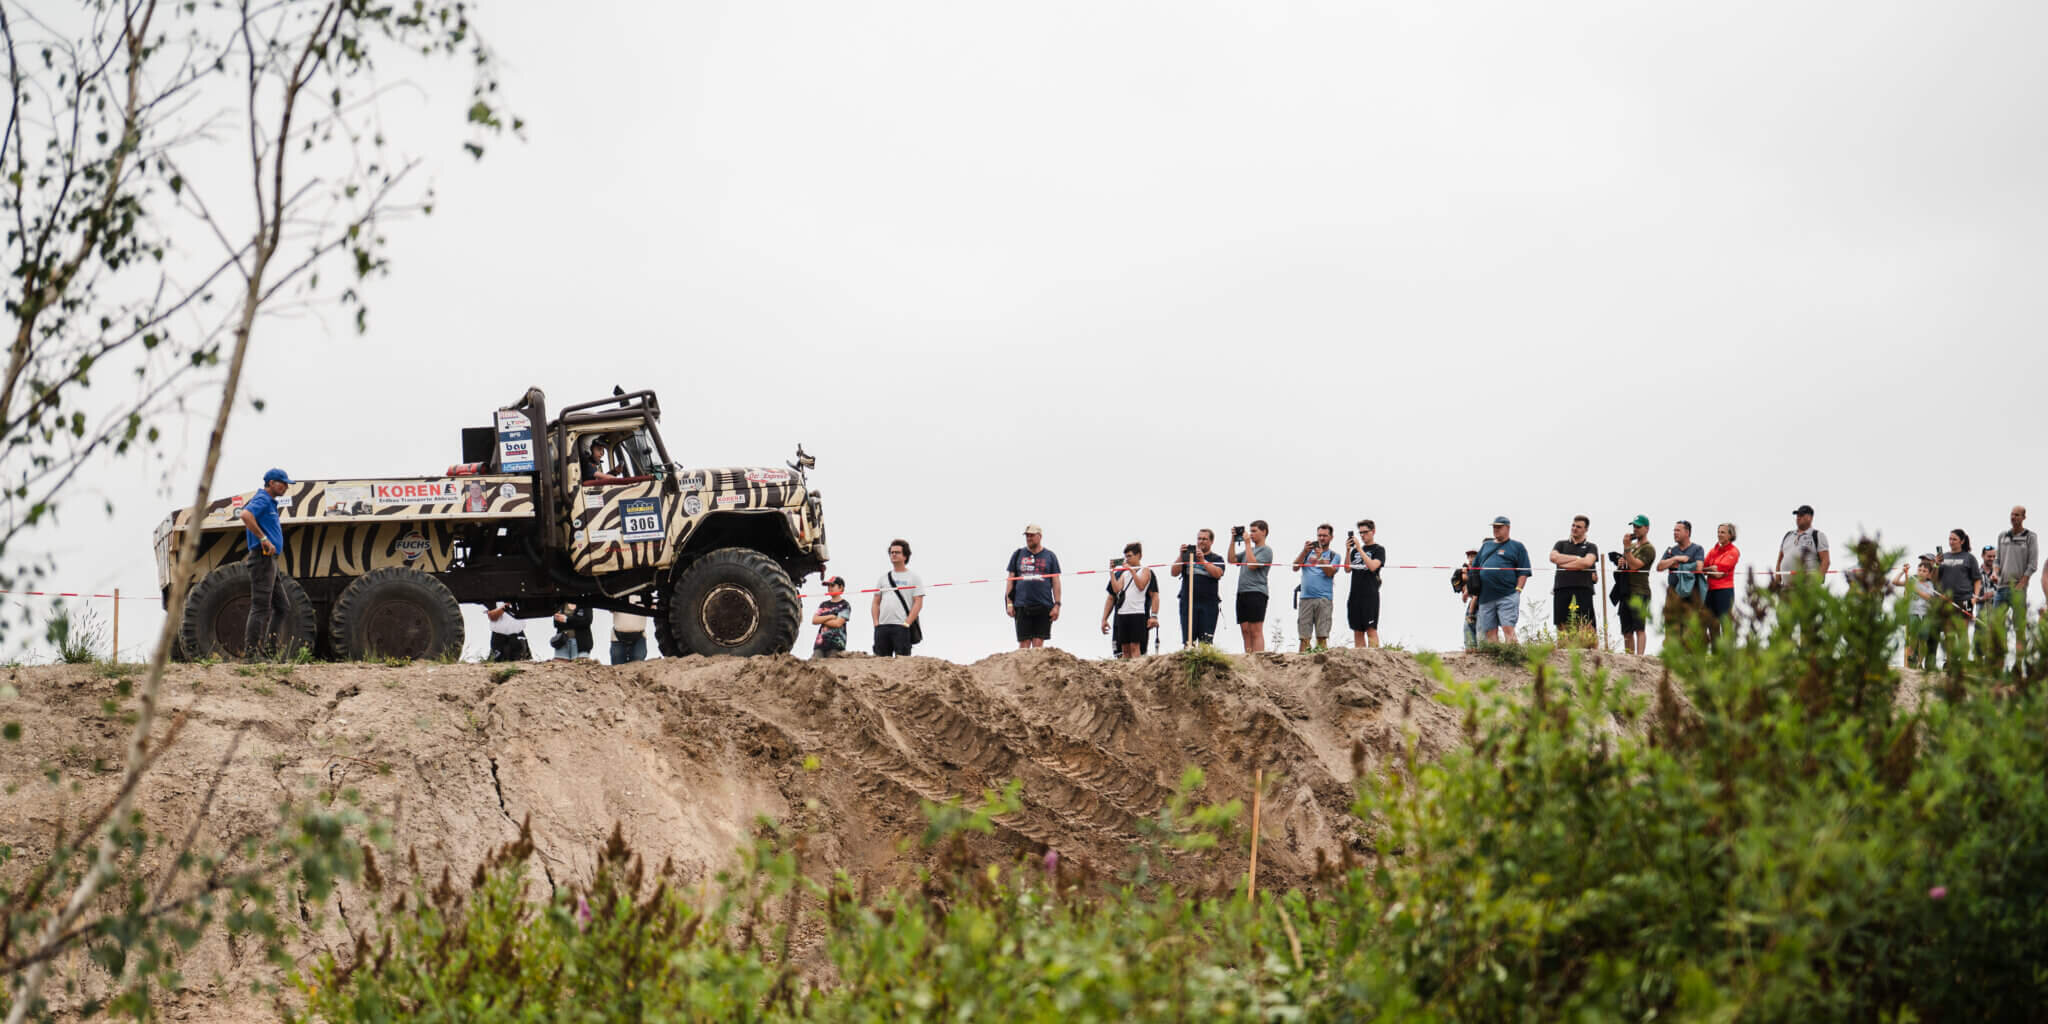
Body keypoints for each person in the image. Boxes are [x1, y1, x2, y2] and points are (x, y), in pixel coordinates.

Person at [237, 468, 293, 659]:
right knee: (261, 606)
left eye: (286, 483)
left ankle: (270, 652)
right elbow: (245, 515)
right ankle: (252, 655)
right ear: (270, 483)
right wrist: (263, 539)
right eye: (282, 482)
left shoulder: (269, 502)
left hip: (269, 561)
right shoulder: (262, 499)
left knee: (283, 607)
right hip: (261, 559)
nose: (286, 486)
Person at [1472, 516, 1532, 644]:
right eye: (1494, 527)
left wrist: (1518, 590)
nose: (1496, 530)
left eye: (1499, 527)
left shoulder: (1517, 546)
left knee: (1508, 628)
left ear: (1508, 528)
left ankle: (1513, 658)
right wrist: (1471, 589)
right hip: (1485, 597)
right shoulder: (1486, 546)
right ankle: (1496, 662)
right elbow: (1474, 568)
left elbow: (1524, 571)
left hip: (1507, 594)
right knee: (1490, 632)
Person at [1004, 525, 1061, 649]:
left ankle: (1036, 668)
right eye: (1027, 535)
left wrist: (1057, 605)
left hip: (1044, 604)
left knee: (1038, 643)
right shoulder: (1018, 554)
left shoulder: (1050, 556)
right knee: (1024, 644)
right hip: (1022, 605)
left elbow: (1056, 581)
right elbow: (1010, 580)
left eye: (1032, 535)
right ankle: (1022, 668)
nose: (1029, 538)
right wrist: (1009, 604)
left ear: (1039, 536)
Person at [1100, 543, 1158, 659]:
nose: (1127, 559)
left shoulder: (1145, 570)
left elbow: (1141, 586)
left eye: (1130, 556)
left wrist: (1132, 571)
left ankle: (1135, 671)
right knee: (1124, 649)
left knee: (1135, 647)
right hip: (1123, 613)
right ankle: (1125, 673)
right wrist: (1112, 572)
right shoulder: (1123, 573)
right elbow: (1116, 590)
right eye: (1126, 556)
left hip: (1137, 612)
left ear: (1139, 556)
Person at [1169, 529, 1226, 646]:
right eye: (1199, 539)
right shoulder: (1188, 557)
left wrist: (1203, 561)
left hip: (1208, 604)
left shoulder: (1217, 559)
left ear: (1211, 541)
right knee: (1188, 641)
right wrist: (1181, 556)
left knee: (1206, 641)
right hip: (1188, 602)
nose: (1201, 541)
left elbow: (1218, 573)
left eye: (1204, 539)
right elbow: (1174, 572)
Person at [1547, 515, 1599, 635]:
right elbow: (1553, 557)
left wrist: (1564, 564)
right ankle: (1563, 650)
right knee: (1561, 623)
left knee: (1585, 623)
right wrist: (1576, 559)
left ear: (1586, 529)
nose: (1574, 528)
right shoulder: (1561, 544)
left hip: (1583, 589)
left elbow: (1587, 562)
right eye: (1573, 525)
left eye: (1579, 527)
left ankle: (1592, 651)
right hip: (1562, 588)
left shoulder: (1591, 546)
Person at [1293, 524, 1341, 651]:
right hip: (1306, 598)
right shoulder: (1307, 553)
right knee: (1304, 637)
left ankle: (1322, 665)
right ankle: (1302, 664)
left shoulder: (1334, 556)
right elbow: (1295, 567)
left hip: (1324, 599)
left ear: (1331, 537)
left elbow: (1330, 573)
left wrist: (1320, 558)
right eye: (1319, 535)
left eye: (1325, 535)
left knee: (1322, 636)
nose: (1321, 538)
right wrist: (1304, 551)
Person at [1936, 530, 1983, 661]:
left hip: (1965, 599)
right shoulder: (1943, 556)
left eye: (1954, 539)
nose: (1951, 542)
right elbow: (1935, 579)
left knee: (1962, 631)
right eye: (1950, 539)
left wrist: (1974, 598)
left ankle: (1963, 662)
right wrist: (1936, 564)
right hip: (1946, 600)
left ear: (1962, 541)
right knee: (1948, 632)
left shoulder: (1969, 558)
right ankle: (1950, 662)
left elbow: (1977, 579)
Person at [1996, 506, 2037, 654]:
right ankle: (2000, 657)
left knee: (2019, 626)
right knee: (1997, 625)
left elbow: (2033, 564)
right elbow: (1997, 560)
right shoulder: (2002, 536)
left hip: (2018, 589)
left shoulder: (2030, 537)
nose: (2013, 517)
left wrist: (2022, 583)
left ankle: (2020, 661)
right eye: (2012, 514)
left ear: (2024, 517)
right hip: (2001, 588)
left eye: (2017, 515)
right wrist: (1995, 573)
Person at [874, 539, 924, 656]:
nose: (894, 555)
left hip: (901, 626)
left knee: (903, 664)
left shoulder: (914, 577)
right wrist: (876, 623)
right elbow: (876, 602)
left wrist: (907, 623)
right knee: (880, 663)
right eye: (891, 552)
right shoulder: (883, 578)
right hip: (882, 626)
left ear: (905, 556)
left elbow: (918, 603)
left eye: (897, 552)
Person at [1229, 521, 1273, 652]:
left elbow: (1252, 565)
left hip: (1257, 592)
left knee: (1255, 630)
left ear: (1264, 532)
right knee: (1245, 630)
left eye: (1254, 531)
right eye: (1250, 531)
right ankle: (1248, 658)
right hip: (1242, 592)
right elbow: (1232, 560)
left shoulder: (1266, 550)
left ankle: (1258, 657)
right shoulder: (1249, 550)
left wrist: (1247, 543)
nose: (1251, 534)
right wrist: (1233, 540)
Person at [1657, 520, 1708, 631]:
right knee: (1671, 626)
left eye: (1678, 530)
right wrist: (1676, 558)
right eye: (1674, 531)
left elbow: (1699, 567)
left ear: (1687, 532)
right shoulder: (1671, 551)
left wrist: (1675, 565)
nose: (1675, 533)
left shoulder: (1697, 549)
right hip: (1673, 592)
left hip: (1691, 592)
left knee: (1690, 627)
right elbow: (1660, 567)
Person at [1614, 515, 1655, 655]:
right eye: (1634, 526)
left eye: (1639, 526)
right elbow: (1627, 564)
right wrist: (1621, 562)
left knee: (1639, 627)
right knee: (1626, 630)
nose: (1635, 529)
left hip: (1640, 591)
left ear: (1647, 528)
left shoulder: (1648, 548)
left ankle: (1640, 658)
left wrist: (1626, 549)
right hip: (1626, 590)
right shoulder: (1631, 546)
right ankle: (1629, 657)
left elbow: (1636, 565)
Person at [1892, 554, 1940, 669]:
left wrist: (1917, 590)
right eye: (1919, 570)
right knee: (1913, 637)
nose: (1921, 572)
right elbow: (1895, 582)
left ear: (1929, 574)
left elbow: (1929, 597)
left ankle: (1920, 662)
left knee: (1923, 639)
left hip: (1925, 614)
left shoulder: (1930, 584)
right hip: (1913, 613)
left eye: (1924, 571)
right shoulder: (1912, 580)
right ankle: (1910, 658)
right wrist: (1903, 572)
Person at [1344, 520, 1387, 648]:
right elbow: (1347, 569)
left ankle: (1374, 658)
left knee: (1370, 629)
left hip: (1370, 594)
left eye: (1365, 532)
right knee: (1357, 630)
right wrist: (1348, 550)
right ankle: (1360, 659)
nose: (1362, 535)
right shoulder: (1355, 551)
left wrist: (1359, 549)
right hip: (1355, 594)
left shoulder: (1379, 549)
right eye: (1360, 533)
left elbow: (1373, 566)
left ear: (1373, 532)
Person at [1701, 523, 1741, 638]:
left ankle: (1729, 654)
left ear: (1730, 535)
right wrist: (1711, 569)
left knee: (1725, 624)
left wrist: (1709, 569)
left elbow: (1718, 574)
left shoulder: (1733, 551)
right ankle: (1715, 653)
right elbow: (1702, 568)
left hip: (1724, 591)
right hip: (1710, 591)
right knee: (1711, 624)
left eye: (1722, 532)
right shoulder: (1714, 550)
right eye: (1718, 532)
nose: (1719, 534)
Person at [1776, 504, 1831, 581]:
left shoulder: (1817, 535)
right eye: (1797, 515)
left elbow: (1826, 561)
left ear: (1810, 517)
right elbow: (1780, 560)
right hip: (1787, 588)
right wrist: (1777, 583)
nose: (1798, 517)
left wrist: (1816, 583)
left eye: (1801, 515)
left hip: (1807, 587)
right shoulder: (1788, 535)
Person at [811, 577, 850, 658]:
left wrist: (821, 619)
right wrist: (831, 616)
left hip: (836, 645)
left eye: (832, 585)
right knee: (815, 666)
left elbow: (838, 623)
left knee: (832, 667)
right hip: (820, 644)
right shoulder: (823, 604)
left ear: (841, 588)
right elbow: (814, 620)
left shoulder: (845, 605)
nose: (829, 588)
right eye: (828, 586)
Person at [1453, 548, 1481, 649]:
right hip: (1472, 596)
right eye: (1469, 556)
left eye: (1473, 556)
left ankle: (1482, 648)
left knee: (1480, 626)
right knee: (1468, 625)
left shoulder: (1479, 567)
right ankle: (1470, 648)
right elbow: (1458, 582)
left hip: (1480, 598)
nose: (1471, 558)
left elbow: (1471, 580)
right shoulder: (1464, 568)